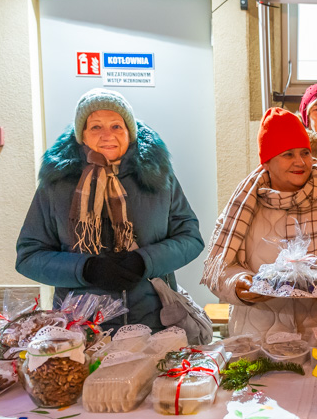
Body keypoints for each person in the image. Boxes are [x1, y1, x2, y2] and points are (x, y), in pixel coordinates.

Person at [16, 88, 204, 334]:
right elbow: (29, 256)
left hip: (153, 324)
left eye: (116, 126)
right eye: (96, 127)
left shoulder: (158, 179)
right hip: (80, 331)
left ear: (129, 132)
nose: (107, 135)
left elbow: (190, 237)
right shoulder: (57, 184)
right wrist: (86, 269)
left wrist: (143, 261)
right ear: (81, 134)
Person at [202, 107, 317, 342]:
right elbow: (221, 264)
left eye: (305, 153)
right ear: (267, 162)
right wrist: (238, 283)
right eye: (288, 154)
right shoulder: (241, 206)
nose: (300, 162)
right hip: (260, 338)